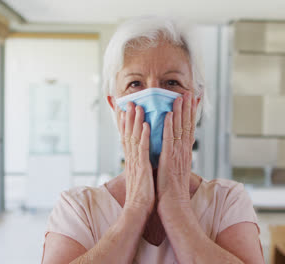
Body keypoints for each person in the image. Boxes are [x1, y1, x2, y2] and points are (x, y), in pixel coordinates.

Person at [42, 16, 264, 264]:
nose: (154, 98)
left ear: (196, 103)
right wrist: (136, 207)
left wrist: (177, 209)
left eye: (172, 82)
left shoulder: (227, 201)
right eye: (134, 83)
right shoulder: (77, 208)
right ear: (114, 107)